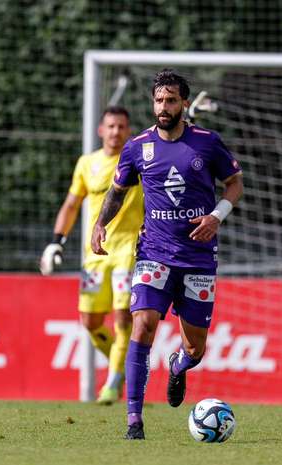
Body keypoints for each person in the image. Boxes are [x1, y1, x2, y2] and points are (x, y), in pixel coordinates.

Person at [90, 69, 243, 440]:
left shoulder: (207, 143)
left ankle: (178, 367)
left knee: (196, 346)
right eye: (159, 100)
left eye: (171, 100)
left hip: (198, 259)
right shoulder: (137, 147)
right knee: (141, 324)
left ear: (184, 104)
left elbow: (234, 184)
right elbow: (118, 190)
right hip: (153, 253)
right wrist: (100, 224)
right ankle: (134, 421)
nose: (164, 106)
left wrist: (215, 216)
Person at [40, 106, 143, 405]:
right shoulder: (87, 163)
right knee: (90, 320)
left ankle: (112, 381)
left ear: (128, 130)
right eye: (111, 126)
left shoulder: (137, 159)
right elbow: (71, 204)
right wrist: (56, 242)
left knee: (124, 316)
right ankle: (122, 365)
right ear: (101, 130)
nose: (116, 132)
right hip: (95, 254)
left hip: (129, 250)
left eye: (122, 127)